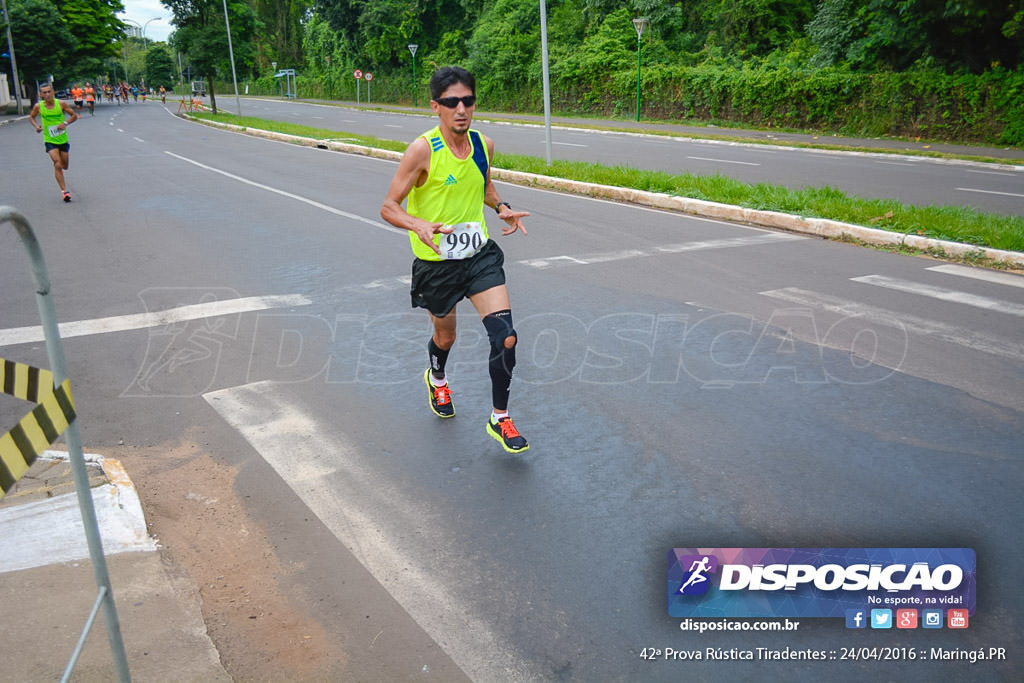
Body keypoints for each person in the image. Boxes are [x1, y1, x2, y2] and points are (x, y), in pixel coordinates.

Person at [380, 66, 532, 454]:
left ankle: (499, 418)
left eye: (468, 100)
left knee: (506, 337)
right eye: (451, 102)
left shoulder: (484, 144)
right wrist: (418, 225)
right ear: (436, 106)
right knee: (446, 336)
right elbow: (388, 206)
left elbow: (482, 183)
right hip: (437, 264)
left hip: (478, 256)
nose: (461, 108)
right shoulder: (422, 150)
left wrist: (501, 206)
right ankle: (437, 378)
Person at [29, 82, 79, 202]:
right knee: (57, 162)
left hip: (62, 139)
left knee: (64, 165)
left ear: (53, 92)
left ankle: (60, 171)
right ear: (41, 94)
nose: (47, 94)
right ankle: (64, 192)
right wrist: (36, 126)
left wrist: (65, 123)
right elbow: (31, 117)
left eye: (49, 92)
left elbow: (74, 116)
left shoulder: (61, 104)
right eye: (44, 92)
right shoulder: (38, 106)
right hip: (49, 139)